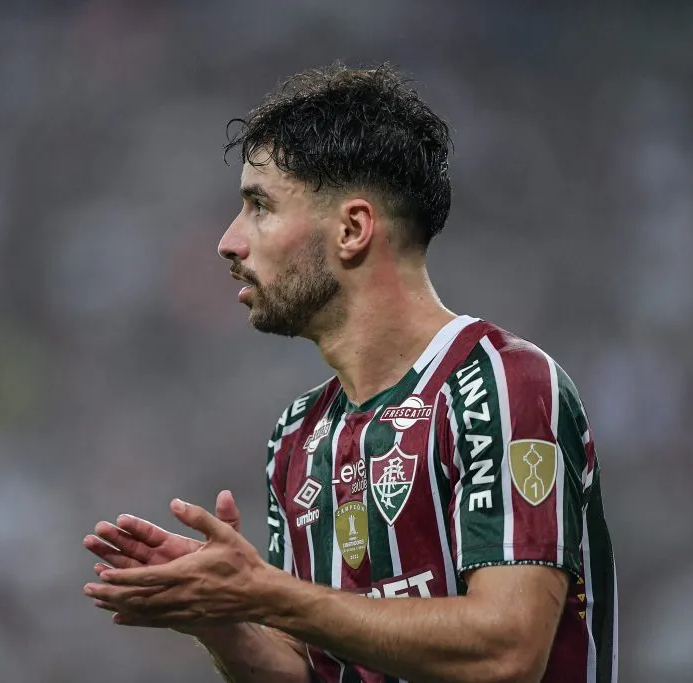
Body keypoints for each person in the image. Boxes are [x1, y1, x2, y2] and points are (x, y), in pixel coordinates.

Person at [83, 63, 618, 683]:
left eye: (259, 205)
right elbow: (310, 670)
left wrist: (265, 595)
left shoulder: (501, 384)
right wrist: (222, 615)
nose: (228, 242)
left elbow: (507, 652)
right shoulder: (298, 436)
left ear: (352, 229)